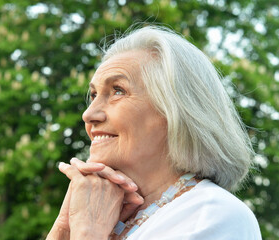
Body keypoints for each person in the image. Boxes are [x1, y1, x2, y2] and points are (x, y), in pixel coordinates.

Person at [46, 26, 262, 240]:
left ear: (176, 109)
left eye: (117, 91)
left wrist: (87, 233)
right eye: (94, 95)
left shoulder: (214, 216)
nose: (89, 114)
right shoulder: (107, 220)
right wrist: (64, 229)